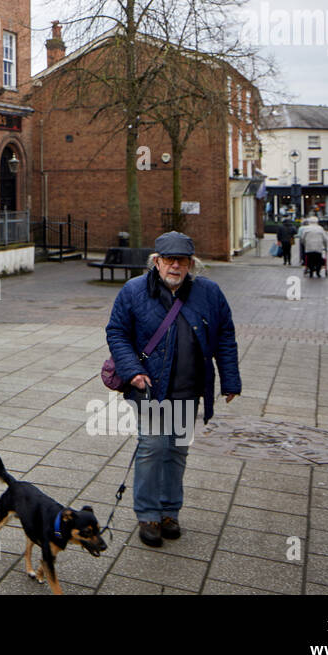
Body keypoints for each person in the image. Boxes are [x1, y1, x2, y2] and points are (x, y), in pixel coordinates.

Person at [105, 231, 240, 548]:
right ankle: (148, 514)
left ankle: (169, 511)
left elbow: (225, 336)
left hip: (188, 388)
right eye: (169, 259)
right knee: (153, 448)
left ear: (192, 263)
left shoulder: (209, 292)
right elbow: (117, 333)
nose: (175, 266)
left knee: (177, 450)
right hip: (150, 387)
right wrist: (133, 370)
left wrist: (230, 380)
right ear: (156, 261)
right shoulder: (134, 291)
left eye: (182, 260)